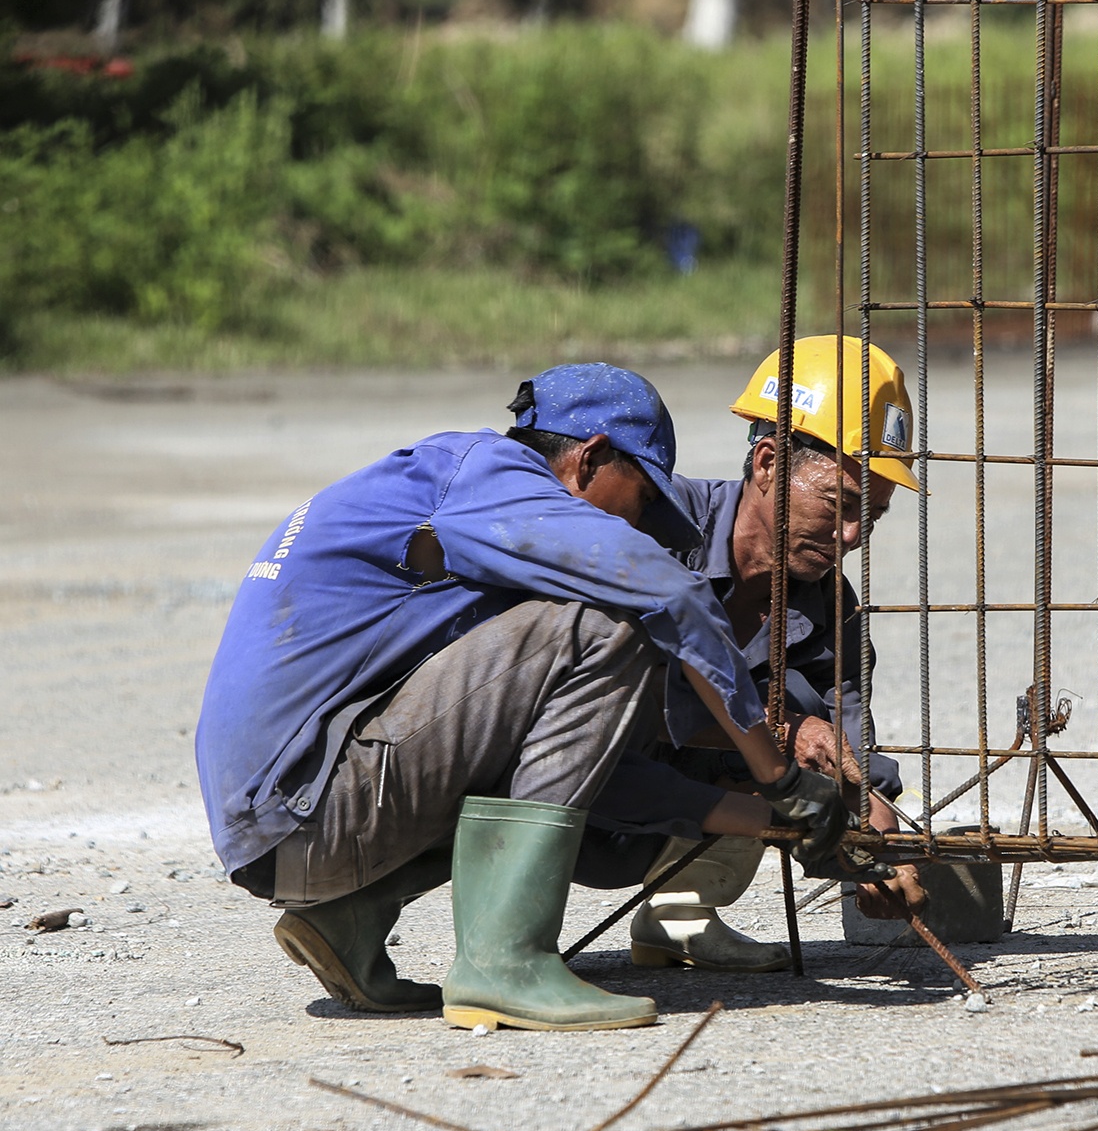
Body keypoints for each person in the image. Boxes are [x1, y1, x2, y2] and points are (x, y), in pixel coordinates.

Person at [195, 363, 865, 1032]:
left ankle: (348, 921)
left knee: (560, 670)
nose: (638, 525)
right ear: (591, 458)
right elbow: (672, 593)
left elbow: (552, 765)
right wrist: (776, 774)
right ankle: (505, 965)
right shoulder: (488, 477)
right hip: (303, 812)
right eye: (639, 502)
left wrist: (761, 816)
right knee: (613, 621)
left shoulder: (453, 494)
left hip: (285, 821)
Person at [570, 336, 925, 972]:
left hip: (664, 797)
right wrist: (782, 732)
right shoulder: (653, 527)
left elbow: (853, 750)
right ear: (766, 463)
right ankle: (507, 942)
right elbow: (585, 688)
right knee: (785, 730)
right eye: (839, 505)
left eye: (869, 518)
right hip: (568, 784)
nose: (851, 537)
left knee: (824, 757)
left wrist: (876, 843)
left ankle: (677, 914)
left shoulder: (832, 607)